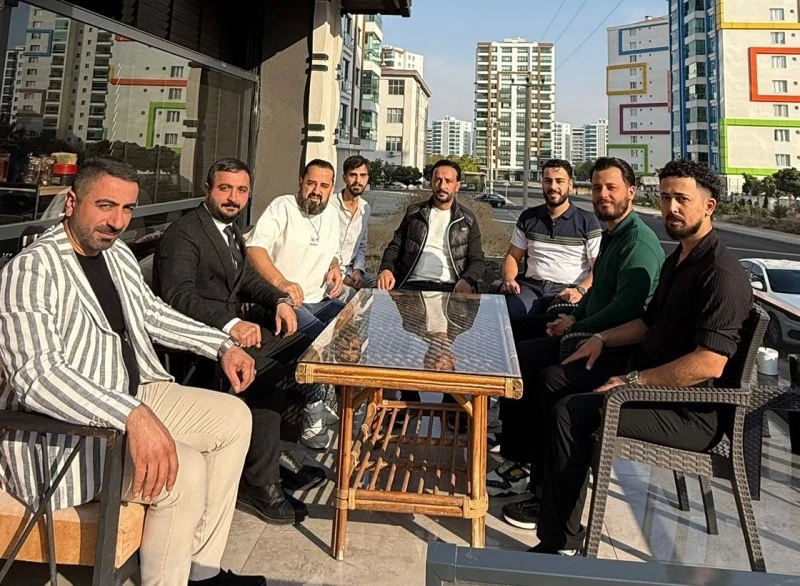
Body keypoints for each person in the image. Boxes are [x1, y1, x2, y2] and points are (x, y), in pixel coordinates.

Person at [0, 158, 265, 586]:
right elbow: (38, 376)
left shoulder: (116, 253)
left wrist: (221, 345)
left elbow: (151, 314)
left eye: (127, 209)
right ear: (72, 203)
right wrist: (130, 415)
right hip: (63, 435)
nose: (117, 222)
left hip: (131, 389)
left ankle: (201, 572)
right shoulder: (32, 269)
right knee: (185, 469)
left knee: (234, 418)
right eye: (105, 206)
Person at [515, 159, 753, 556]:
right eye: (665, 198)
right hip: (652, 383)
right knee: (554, 379)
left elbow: (709, 363)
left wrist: (632, 382)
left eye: (682, 199)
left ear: (708, 206)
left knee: (570, 414)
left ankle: (560, 544)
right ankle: (542, 495)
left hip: (691, 411)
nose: (671, 208)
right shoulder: (679, 259)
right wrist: (601, 339)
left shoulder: (720, 273)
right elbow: (646, 322)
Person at [153, 158, 327, 527]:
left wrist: (279, 300)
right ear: (207, 189)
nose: (233, 197)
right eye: (225, 189)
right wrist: (231, 324)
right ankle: (259, 484)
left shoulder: (229, 229)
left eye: (242, 190)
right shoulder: (185, 233)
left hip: (229, 333)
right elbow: (177, 295)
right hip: (197, 343)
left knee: (303, 348)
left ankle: (273, 456)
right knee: (270, 371)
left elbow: (246, 277)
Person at [490, 157, 664, 499]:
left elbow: (626, 309)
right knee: (513, 342)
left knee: (532, 367)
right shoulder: (614, 233)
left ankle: (522, 463)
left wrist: (576, 322)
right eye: (597, 187)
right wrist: (572, 319)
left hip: (609, 346)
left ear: (631, 191)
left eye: (611, 188)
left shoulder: (635, 241)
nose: (603, 195)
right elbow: (600, 292)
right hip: (574, 319)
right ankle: (514, 448)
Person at [246, 158, 345, 450]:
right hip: (280, 302)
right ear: (301, 182)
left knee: (354, 323)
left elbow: (333, 253)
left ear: (331, 189)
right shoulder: (283, 207)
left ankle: (349, 402)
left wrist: (335, 268)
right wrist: (281, 283)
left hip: (319, 298)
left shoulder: (331, 214)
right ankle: (312, 409)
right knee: (316, 338)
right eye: (311, 183)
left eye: (324, 186)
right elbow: (255, 248)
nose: (316, 191)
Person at [500, 159, 602, 325]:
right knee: (507, 315)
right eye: (548, 181)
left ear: (570, 185)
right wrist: (509, 278)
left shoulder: (588, 221)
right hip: (531, 288)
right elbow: (513, 256)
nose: (553, 186)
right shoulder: (528, 218)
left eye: (559, 181)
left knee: (558, 322)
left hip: (567, 290)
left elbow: (599, 267)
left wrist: (581, 290)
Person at [377, 159, 485, 294]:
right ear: (431, 182)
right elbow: (394, 247)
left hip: (450, 288)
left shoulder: (467, 220)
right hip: (412, 285)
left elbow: (477, 259)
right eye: (438, 180)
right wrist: (386, 269)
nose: (442, 186)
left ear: (457, 186)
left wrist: (467, 280)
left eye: (448, 181)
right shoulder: (414, 213)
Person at [330, 155, 375, 301]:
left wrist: (358, 270)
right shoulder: (330, 205)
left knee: (378, 285)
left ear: (367, 178)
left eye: (362, 175)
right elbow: (324, 246)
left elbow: (362, 244)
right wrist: (342, 276)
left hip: (350, 270)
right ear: (344, 178)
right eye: (353, 175)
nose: (358, 180)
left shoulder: (365, 207)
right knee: (352, 296)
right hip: (329, 270)